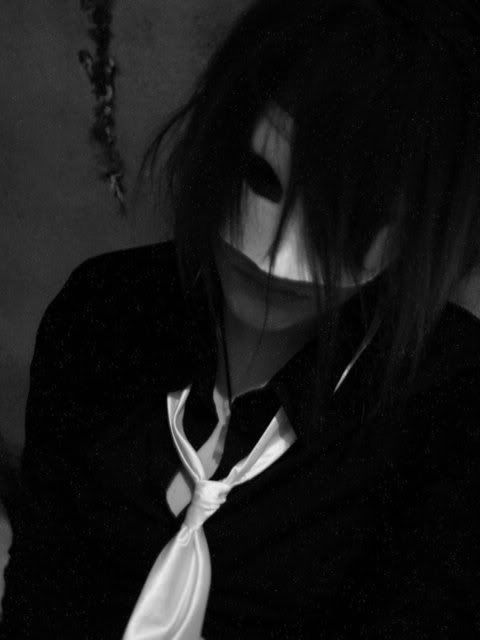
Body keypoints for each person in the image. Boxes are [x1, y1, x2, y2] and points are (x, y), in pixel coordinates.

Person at [2, 0, 480, 637]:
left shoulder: (449, 399)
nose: (277, 260)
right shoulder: (102, 315)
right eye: (261, 177)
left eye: (351, 219)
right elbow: (42, 589)